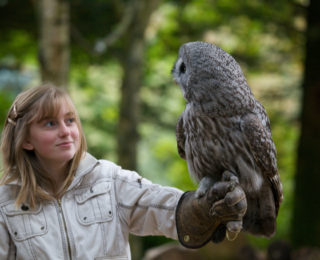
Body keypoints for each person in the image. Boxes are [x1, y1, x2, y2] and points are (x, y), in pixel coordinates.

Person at [0, 84, 247, 259]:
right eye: (50, 123)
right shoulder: (5, 206)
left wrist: (205, 207)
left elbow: (167, 209)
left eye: (70, 120)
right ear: (26, 140)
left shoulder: (109, 180)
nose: (65, 131)